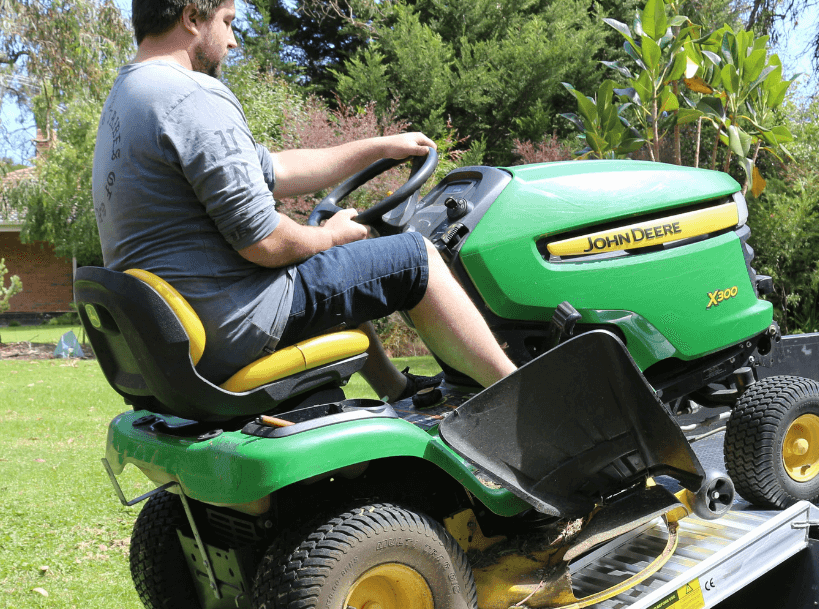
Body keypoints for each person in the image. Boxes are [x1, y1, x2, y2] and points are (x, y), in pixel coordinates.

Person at [92, 0, 516, 400]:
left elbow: (277, 169)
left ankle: (399, 391)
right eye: (227, 21)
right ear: (191, 17)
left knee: (333, 269)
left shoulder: (129, 96)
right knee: (415, 257)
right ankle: (521, 395)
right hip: (236, 324)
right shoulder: (190, 95)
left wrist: (378, 147)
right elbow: (265, 243)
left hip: (178, 337)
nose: (233, 40)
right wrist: (328, 237)